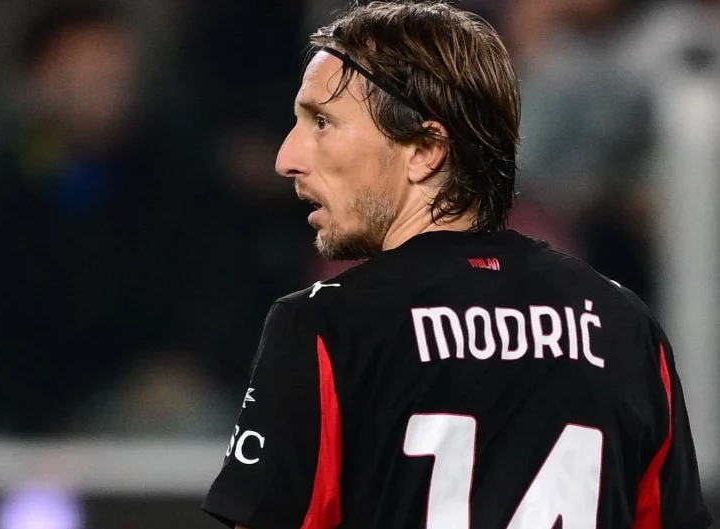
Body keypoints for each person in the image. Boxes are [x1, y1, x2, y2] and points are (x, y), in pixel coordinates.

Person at [202, 2, 712, 528]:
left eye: (323, 123)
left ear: (426, 149)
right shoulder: (625, 325)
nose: (287, 158)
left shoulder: (326, 327)